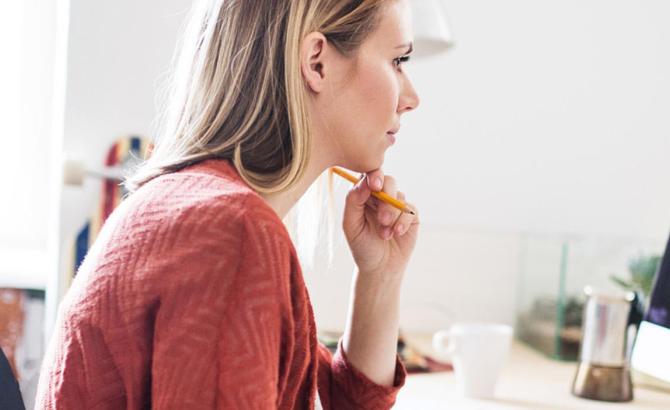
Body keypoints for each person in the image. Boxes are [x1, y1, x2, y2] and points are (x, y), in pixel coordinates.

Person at [36, 0, 420, 408]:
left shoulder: (200, 209)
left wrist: (380, 276)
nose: (411, 98)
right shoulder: (231, 233)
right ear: (317, 63)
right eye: (398, 60)